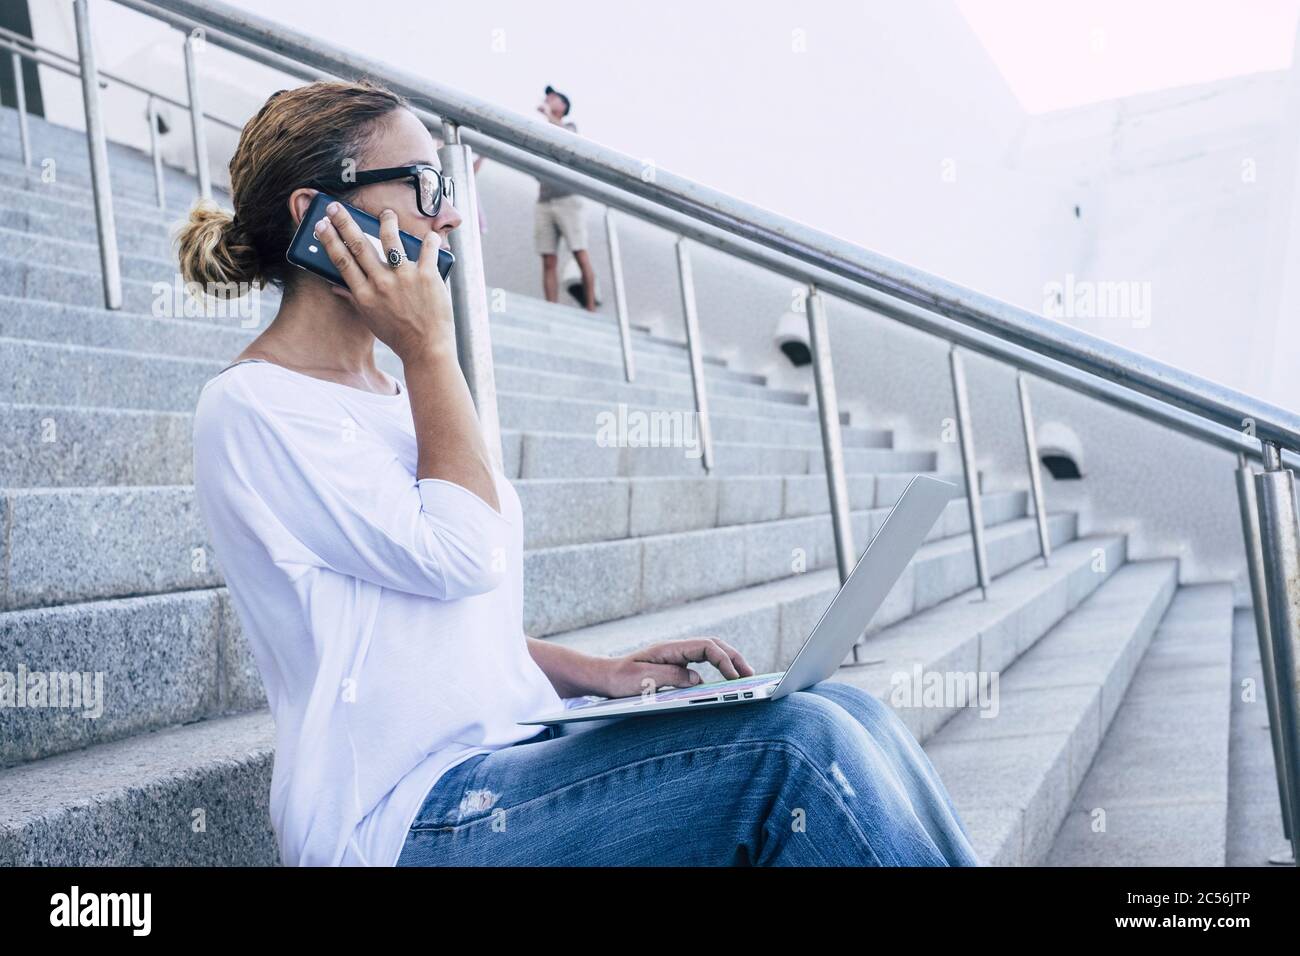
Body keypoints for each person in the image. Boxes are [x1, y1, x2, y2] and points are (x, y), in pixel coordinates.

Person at [179, 79, 980, 868]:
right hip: (402, 818)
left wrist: (599, 674)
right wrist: (428, 346)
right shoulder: (257, 410)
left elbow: (437, 621)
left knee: (844, 709)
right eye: (424, 186)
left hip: (509, 760)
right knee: (797, 753)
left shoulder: (392, 395)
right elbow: (464, 554)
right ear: (317, 214)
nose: (449, 212)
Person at [534, 85, 599, 311]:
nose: (548, 99)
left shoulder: (569, 127)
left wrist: (548, 115)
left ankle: (591, 308)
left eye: (554, 98)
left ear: (563, 106)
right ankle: (551, 308)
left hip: (568, 199)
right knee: (548, 258)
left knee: (580, 253)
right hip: (544, 200)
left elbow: (565, 138)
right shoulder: (542, 131)